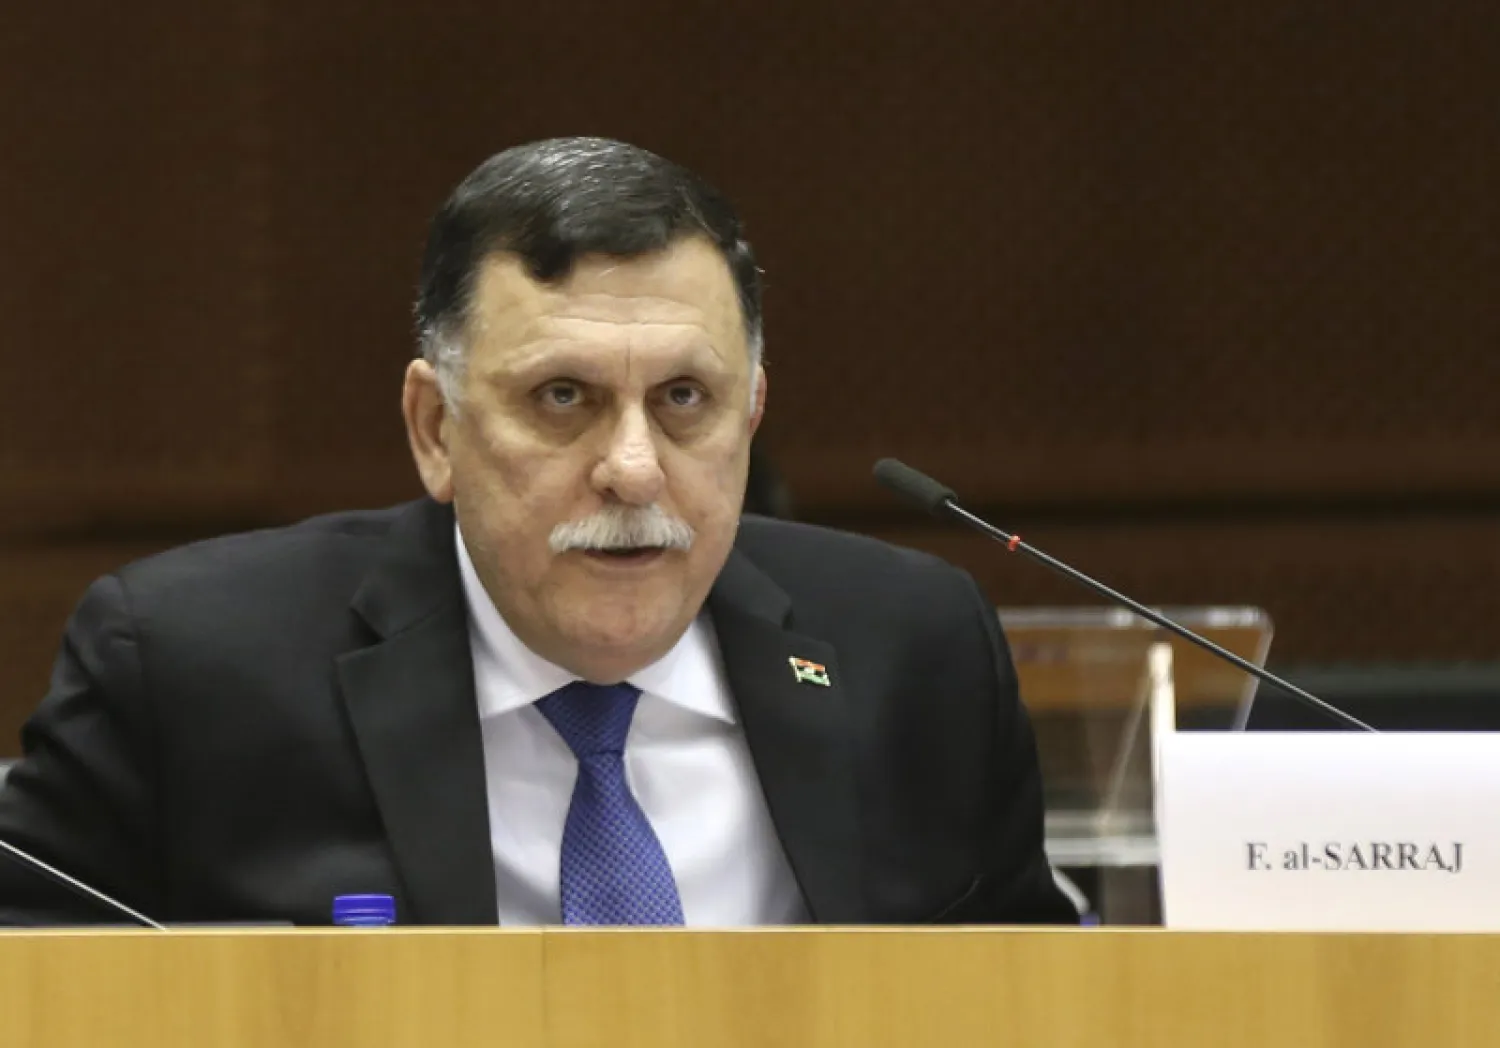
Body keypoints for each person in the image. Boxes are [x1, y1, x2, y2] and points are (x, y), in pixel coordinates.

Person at [0, 138, 1075, 926]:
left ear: (751, 415)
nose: (633, 468)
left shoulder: (914, 652)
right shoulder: (190, 666)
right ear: (436, 429)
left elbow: (1036, 1004)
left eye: (685, 399)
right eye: (563, 397)